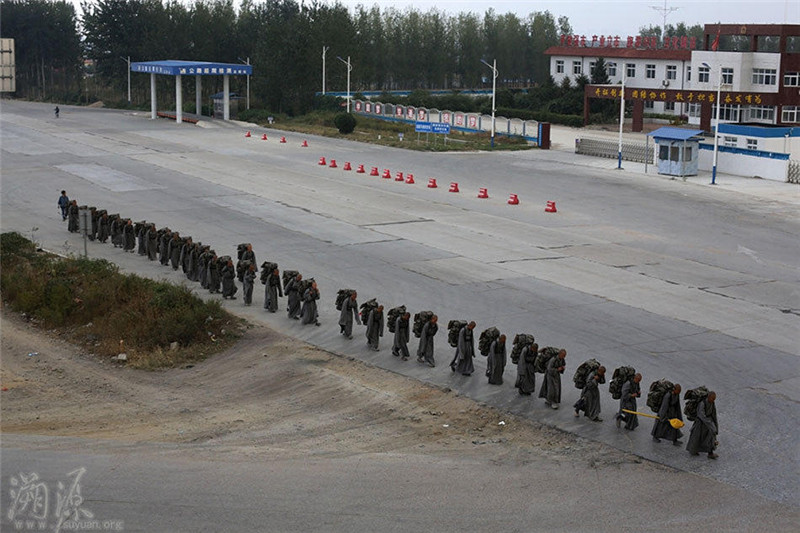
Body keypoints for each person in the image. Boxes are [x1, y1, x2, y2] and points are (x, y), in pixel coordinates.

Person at [687, 391, 719, 460]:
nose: (713, 400)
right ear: (709, 397)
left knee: (710, 437)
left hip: (708, 423)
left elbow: (714, 414)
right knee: (697, 437)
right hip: (700, 423)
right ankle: (693, 450)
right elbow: (701, 415)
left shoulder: (712, 403)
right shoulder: (702, 403)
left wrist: (715, 426)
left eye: (714, 399)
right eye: (713, 399)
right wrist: (710, 423)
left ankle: (710, 453)